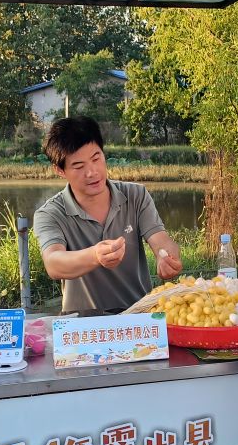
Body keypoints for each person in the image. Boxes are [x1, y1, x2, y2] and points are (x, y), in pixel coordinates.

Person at [33, 116, 182, 315]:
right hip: (81, 323)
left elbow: (161, 240)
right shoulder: (50, 213)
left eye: (96, 159)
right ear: (59, 170)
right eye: (79, 166)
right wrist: (95, 256)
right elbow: (54, 263)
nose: (92, 172)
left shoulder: (136, 195)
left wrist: (167, 257)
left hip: (138, 315)